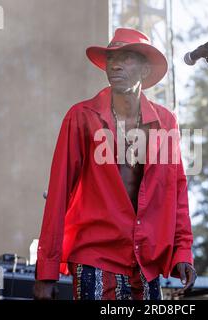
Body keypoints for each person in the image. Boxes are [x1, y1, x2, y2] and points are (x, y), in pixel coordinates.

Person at [33, 28, 196, 300]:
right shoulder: (80, 117)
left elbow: (176, 191)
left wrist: (183, 250)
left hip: (146, 260)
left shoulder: (166, 122)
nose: (115, 65)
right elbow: (58, 194)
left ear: (145, 70)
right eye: (111, 59)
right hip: (95, 255)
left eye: (126, 58)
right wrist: (46, 270)